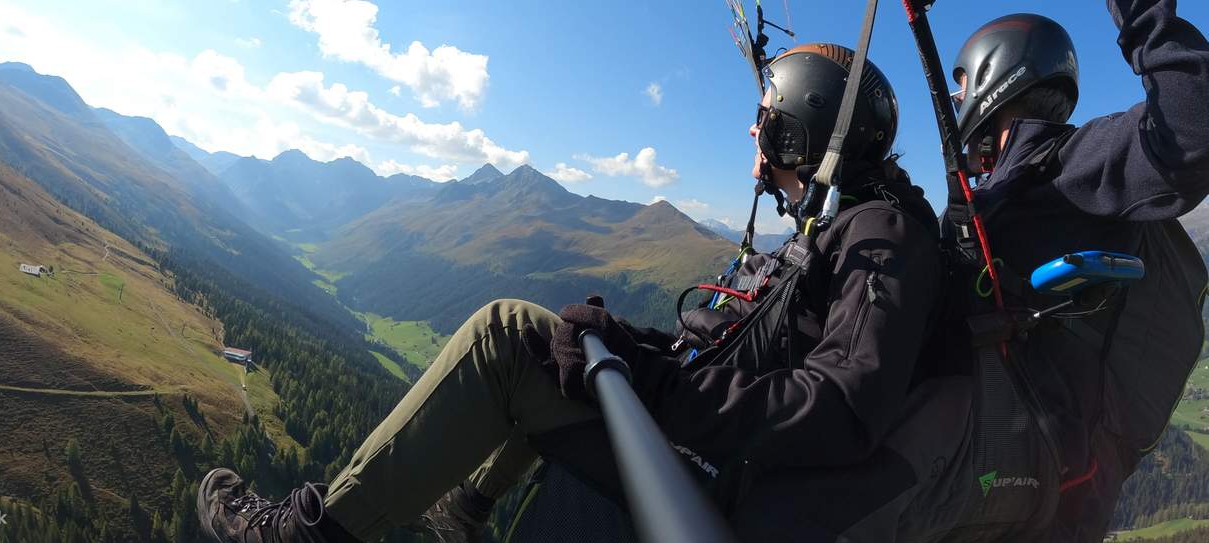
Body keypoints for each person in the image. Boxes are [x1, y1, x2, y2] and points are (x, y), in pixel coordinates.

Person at [196, 43, 944, 543]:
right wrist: (631, 343)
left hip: (724, 486)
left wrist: (651, 378)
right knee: (550, 340)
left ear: (798, 136)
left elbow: (842, 409)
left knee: (502, 334)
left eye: (766, 130)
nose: (755, 153)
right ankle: (463, 509)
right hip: (711, 454)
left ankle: (307, 536)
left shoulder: (881, 233)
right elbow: (748, 355)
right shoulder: (844, 226)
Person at [943, 0, 1209, 541]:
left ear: (989, 79)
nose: (955, 101)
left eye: (959, 85)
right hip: (996, 482)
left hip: (1024, 499)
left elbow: (1193, 118)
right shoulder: (1009, 189)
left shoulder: (1063, 164)